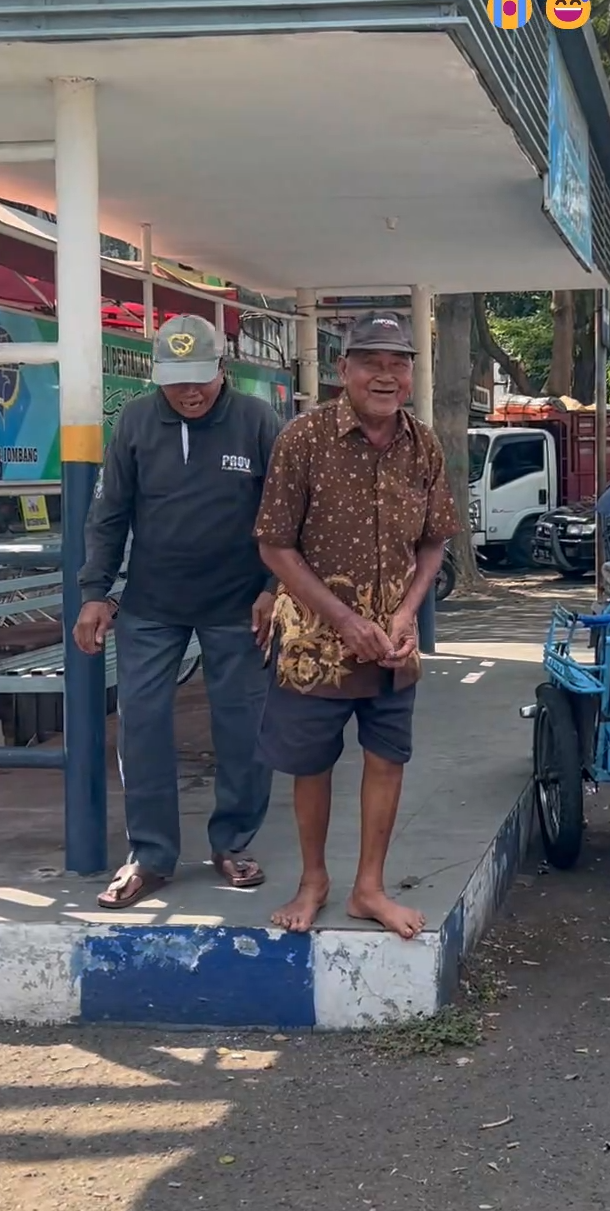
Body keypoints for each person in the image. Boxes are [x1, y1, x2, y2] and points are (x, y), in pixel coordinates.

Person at [254, 309, 460, 937]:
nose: (386, 375)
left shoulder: (422, 443)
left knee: (387, 757)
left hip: (394, 646)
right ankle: (313, 879)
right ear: (343, 369)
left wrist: (404, 614)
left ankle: (368, 887)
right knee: (311, 762)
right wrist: (341, 619)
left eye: (398, 364)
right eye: (372, 361)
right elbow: (274, 545)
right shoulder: (303, 439)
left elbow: (434, 542)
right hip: (316, 643)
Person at [76, 314, 282, 909]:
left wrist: (273, 587)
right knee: (139, 722)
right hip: (152, 604)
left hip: (238, 604)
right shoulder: (137, 421)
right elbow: (110, 512)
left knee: (243, 727)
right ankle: (150, 855)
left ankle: (233, 842)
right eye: (176, 381)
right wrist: (96, 592)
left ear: (223, 369)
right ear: (157, 376)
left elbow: (286, 512)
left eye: (200, 378)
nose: (189, 393)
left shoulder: (256, 421)